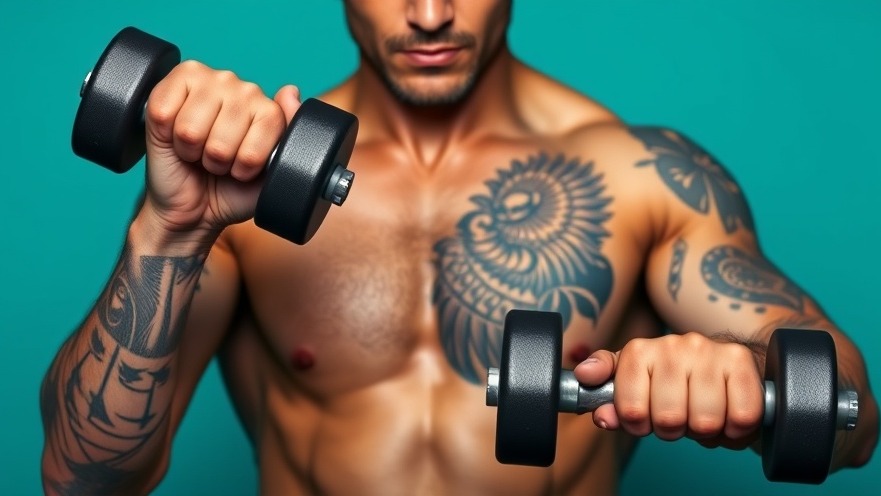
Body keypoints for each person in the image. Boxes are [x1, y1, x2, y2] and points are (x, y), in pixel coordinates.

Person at [40, 1, 878, 494]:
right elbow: (80, 481)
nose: (431, 13)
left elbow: (853, 422)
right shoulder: (243, 195)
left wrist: (744, 377)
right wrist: (172, 229)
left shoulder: (642, 178)